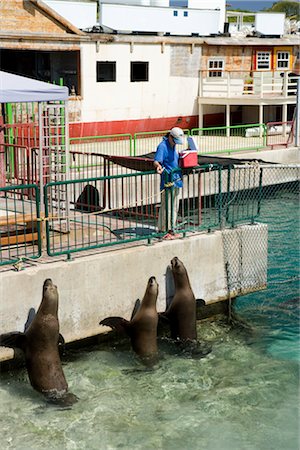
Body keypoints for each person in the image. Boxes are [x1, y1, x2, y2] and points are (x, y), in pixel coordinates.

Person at [153, 127, 184, 240]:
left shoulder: (173, 146)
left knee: (174, 206)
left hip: (176, 180)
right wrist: (158, 167)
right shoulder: (163, 146)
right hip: (168, 181)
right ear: (170, 137)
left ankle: (168, 229)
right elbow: (157, 161)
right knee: (168, 207)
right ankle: (165, 230)